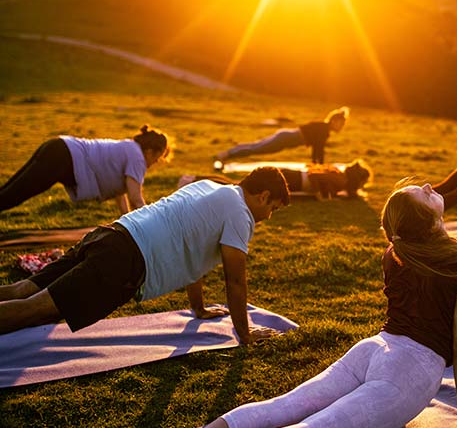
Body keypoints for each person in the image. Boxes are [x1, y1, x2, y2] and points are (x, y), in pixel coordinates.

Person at [123, 180, 457, 428]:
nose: (425, 186)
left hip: (375, 349)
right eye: (418, 194)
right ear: (427, 221)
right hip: (411, 370)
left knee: (284, 406)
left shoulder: (396, 252)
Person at [0, 167, 290, 343]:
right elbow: (235, 282)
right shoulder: (240, 214)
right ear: (263, 196)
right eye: (272, 208)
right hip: (123, 260)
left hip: (109, 234)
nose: (269, 216)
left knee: (24, 289)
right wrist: (246, 334)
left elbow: (194, 258)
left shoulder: (211, 188)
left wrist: (198, 309)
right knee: (36, 309)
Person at [0, 124, 172, 215]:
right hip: (62, 156)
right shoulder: (137, 158)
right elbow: (136, 199)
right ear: (150, 151)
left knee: (9, 191)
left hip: (58, 147)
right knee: (12, 196)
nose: (156, 162)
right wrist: (151, 224)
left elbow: (122, 194)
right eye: (158, 158)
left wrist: (126, 221)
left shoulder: (129, 148)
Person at [214, 107, 349, 168]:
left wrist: (318, 164)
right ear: (334, 121)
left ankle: (227, 153)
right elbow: (318, 149)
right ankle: (226, 154)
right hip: (284, 139)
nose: (341, 127)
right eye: (341, 124)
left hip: (284, 137)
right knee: (257, 149)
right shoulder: (323, 129)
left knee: (256, 146)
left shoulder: (323, 127)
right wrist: (318, 167)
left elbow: (318, 150)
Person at [181, 158, 373, 200]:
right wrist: (319, 195)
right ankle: (192, 180)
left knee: (237, 184)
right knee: (238, 186)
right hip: (291, 178)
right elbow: (316, 176)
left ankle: (193, 179)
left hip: (292, 176)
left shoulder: (341, 176)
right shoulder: (342, 179)